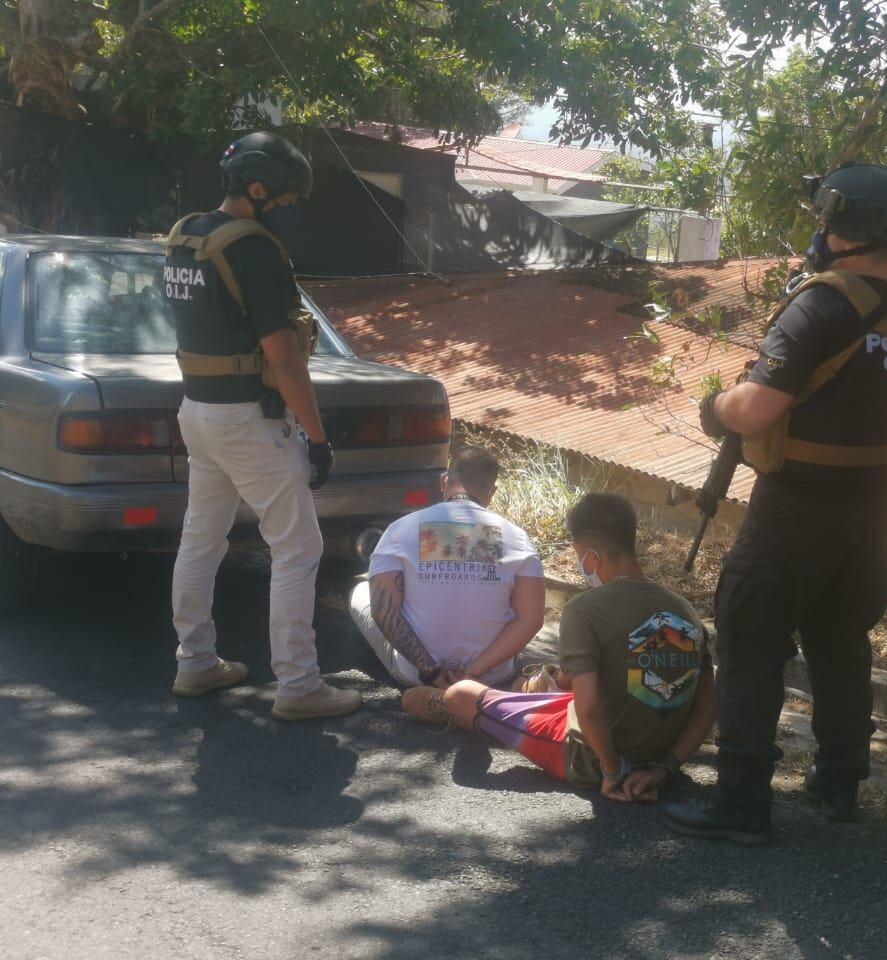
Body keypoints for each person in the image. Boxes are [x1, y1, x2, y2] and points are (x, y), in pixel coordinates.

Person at [662, 162, 887, 845]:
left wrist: (715, 408)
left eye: (825, 217)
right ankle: (840, 781)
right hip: (875, 509)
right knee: (839, 639)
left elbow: (759, 405)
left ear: (840, 223)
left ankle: (740, 802)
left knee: (751, 635)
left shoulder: (822, 304)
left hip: (799, 508)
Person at [167, 131, 361, 721]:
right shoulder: (254, 250)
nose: (292, 208)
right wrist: (319, 438)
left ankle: (196, 663)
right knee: (299, 547)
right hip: (248, 422)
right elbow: (285, 360)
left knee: (202, 539)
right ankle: (300, 686)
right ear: (259, 188)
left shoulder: (186, 237)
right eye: (287, 196)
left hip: (197, 413)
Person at [441, 493, 716, 801]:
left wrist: (612, 771)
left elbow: (587, 707)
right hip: (658, 759)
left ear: (592, 556)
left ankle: (445, 705)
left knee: (458, 695)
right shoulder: (686, 612)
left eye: (578, 555)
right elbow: (706, 707)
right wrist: (666, 768)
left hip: (590, 758)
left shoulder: (585, 609)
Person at [350, 445, 545, 720]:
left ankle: (439, 696)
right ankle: (470, 693)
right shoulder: (518, 538)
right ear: (492, 492)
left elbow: (384, 610)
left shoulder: (401, 529)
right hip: (490, 673)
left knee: (361, 592)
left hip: (418, 672)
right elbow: (532, 619)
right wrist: (471, 673)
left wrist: (429, 670)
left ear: (444, 481)